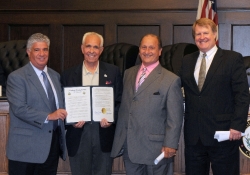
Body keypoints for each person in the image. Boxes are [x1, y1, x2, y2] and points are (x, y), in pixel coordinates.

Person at [180, 18, 249, 175]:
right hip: (194, 137)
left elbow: (242, 96)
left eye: (206, 33)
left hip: (224, 135)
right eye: (198, 34)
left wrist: (237, 125)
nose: (202, 37)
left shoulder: (232, 59)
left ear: (215, 34)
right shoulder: (186, 61)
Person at [111, 34, 184, 175]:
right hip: (130, 147)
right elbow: (125, 107)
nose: (147, 51)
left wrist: (170, 144)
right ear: (139, 50)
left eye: (152, 47)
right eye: (144, 47)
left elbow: (175, 117)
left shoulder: (171, 80)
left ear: (160, 51)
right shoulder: (128, 74)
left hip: (156, 149)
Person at [61, 32, 122, 175]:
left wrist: (111, 120)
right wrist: (70, 121)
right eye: (88, 46)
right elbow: (62, 104)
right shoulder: (68, 75)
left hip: (104, 134)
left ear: (101, 50)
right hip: (78, 135)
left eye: (96, 47)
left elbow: (120, 101)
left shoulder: (113, 72)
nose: (92, 51)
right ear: (82, 48)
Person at [6, 33, 68, 175]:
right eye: (37, 50)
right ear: (28, 52)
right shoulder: (17, 77)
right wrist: (49, 116)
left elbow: (62, 105)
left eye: (45, 49)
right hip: (25, 149)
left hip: (51, 146)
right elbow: (20, 109)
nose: (42, 54)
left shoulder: (55, 76)